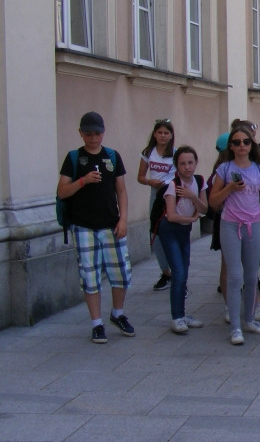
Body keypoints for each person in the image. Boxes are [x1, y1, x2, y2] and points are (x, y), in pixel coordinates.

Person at [57, 112, 135, 344]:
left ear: (103, 132)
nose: (93, 138)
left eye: (97, 133)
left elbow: (121, 190)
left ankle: (117, 314)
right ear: (81, 133)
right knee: (89, 275)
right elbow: (62, 191)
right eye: (88, 134)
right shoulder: (73, 158)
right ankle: (96, 323)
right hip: (83, 226)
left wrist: (123, 220)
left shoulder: (112, 156)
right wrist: (83, 181)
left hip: (111, 224)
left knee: (120, 273)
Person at [208, 124, 260, 345]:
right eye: (237, 142)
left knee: (251, 276)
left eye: (246, 142)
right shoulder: (225, 169)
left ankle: (249, 319)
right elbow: (212, 201)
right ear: (231, 146)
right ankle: (235, 327)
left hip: (254, 225)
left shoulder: (259, 170)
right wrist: (229, 188)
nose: (242, 146)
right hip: (230, 225)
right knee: (235, 276)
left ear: (251, 145)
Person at [156, 146, 208, 334]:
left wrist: (193, 197)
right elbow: (170, 216)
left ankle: (182, 314)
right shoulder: (172, 185)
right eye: (182, 163)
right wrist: (191, 220)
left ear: (195, 163)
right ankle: (176, 317)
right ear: (176, 166)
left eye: (190, 162)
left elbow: (204, 208)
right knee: (178, 272)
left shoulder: (200, 181)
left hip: (184, 232)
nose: (187, 167)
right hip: (170, 231)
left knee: (184, 272)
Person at [137, 118, 175, 291]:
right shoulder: (148, 152)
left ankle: (178, 272)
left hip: (171, 194)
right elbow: (140, 177)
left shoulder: (175, 153)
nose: (163, 136)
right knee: (155, 233)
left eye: (166, 133)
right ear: (154, 134)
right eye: (159, 132)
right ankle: (166, 272)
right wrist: (150, 182)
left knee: (171, 231)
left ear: (171, 135)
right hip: (155, 194)